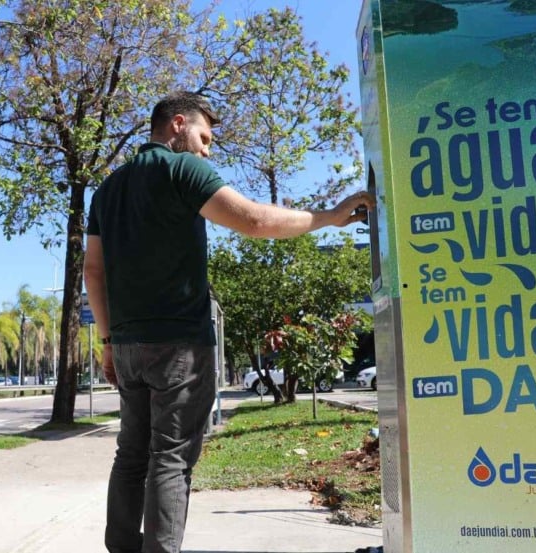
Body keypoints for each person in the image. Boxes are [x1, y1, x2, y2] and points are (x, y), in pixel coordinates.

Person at [84, 91, 375, 553]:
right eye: (204, 136)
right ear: (177, 124)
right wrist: (329, 217)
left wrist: (106, 341)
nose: (207, 149)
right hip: (179, 346)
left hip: (127, 345)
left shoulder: (107, 189)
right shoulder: (183, 169)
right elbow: (255, 221)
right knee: (172, 459)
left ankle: (122, 547)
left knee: (131, 454)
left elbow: (92, 272)